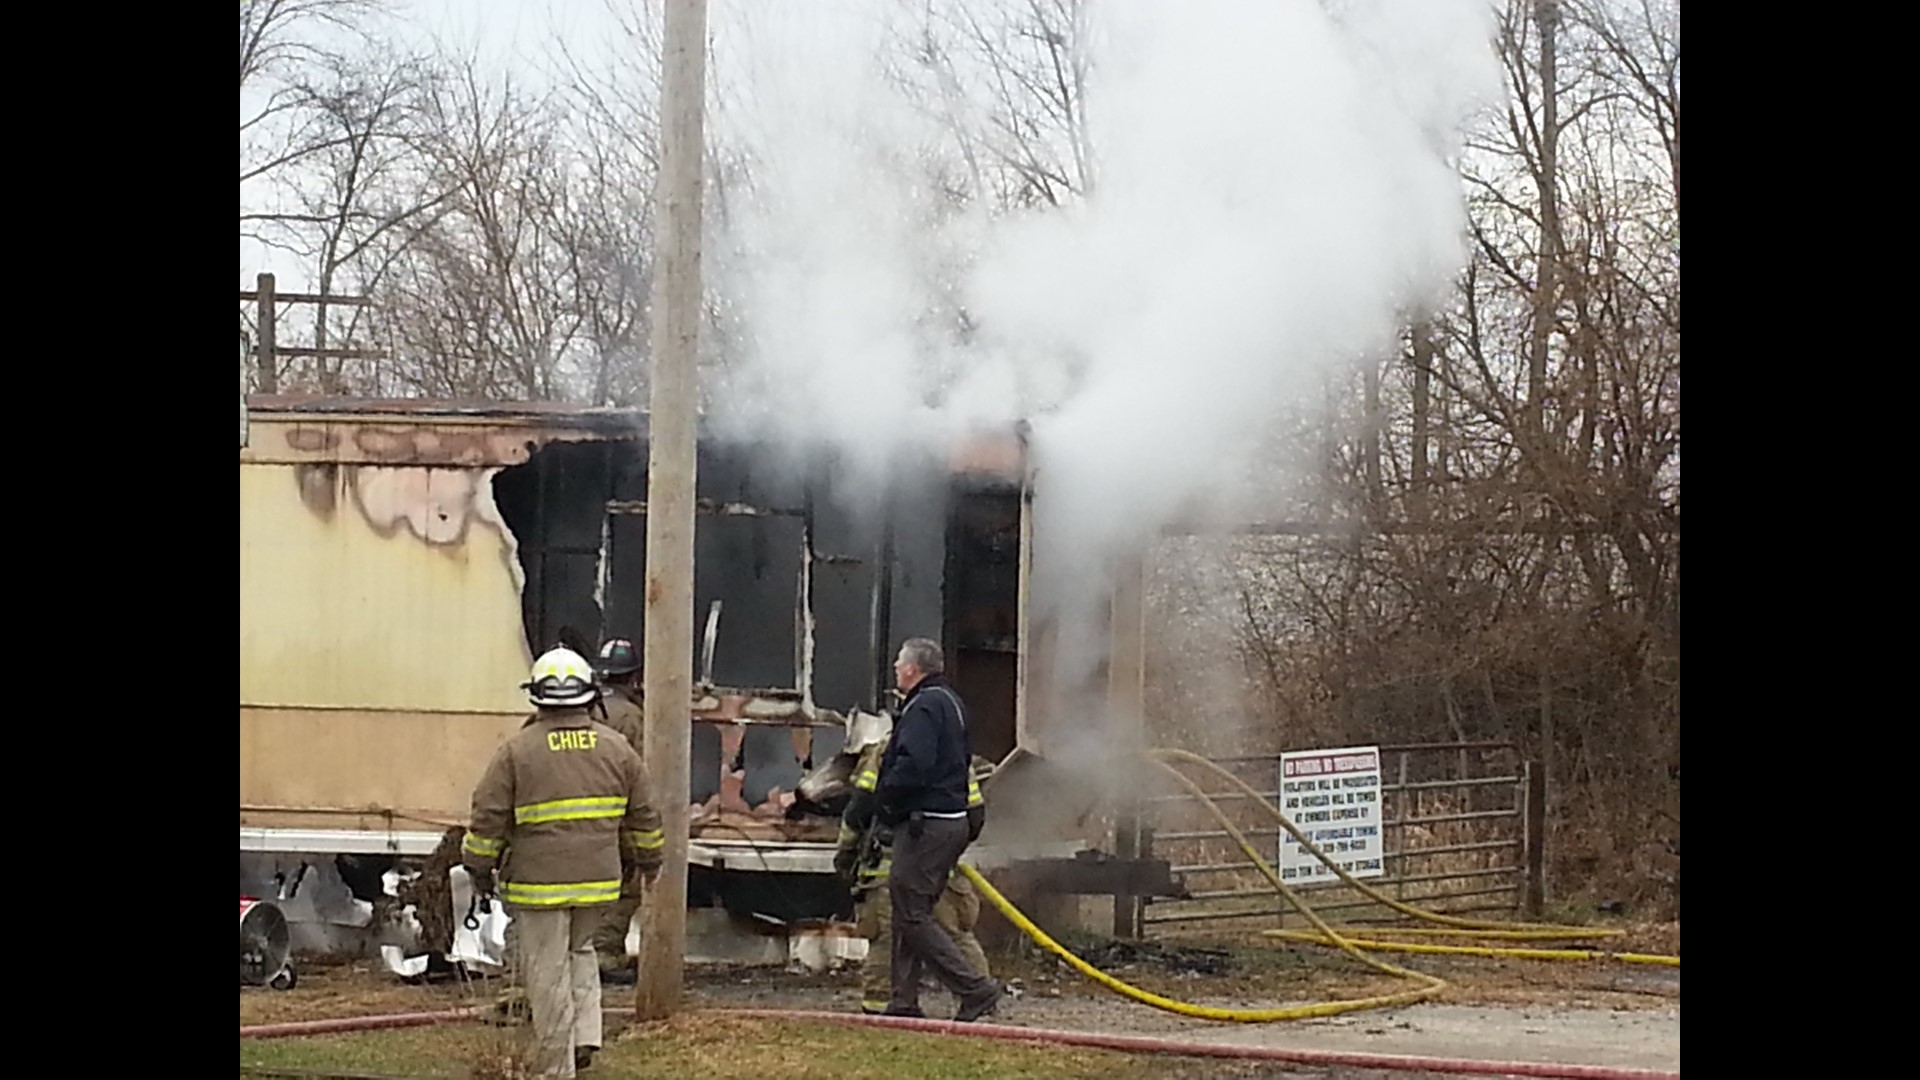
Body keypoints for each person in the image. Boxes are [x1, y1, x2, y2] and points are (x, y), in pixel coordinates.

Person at [462, 646, 665, 1078]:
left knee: (547, 970)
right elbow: (646, 814)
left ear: (537, 698)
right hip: (600, 884)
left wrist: (477, 868)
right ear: (589, 696)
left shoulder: (517, 751)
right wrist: (651, 863)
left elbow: (487, 819)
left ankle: (556, 1067)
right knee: (581, 950)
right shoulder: (617, 749)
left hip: (539, 886)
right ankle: (585, 1038)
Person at [873, 637, 1003, 1022]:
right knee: (907, 908)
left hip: (927, 825)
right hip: (947, 823)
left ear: (914, 668)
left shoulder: (925, 706)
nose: (896, 667)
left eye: (899, 661)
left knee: (912, 911)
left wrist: (885, 802)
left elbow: (915, 765)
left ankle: (975, 989)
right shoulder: (948, 702)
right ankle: (903, 1002)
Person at [834, 711, 991, 1014]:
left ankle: (883, 1008)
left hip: (889, 867)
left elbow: (859, 811)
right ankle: (981, 995)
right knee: (951, 934)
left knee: (889, 935)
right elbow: (975, 815)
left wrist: (846, 854)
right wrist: (948, 850)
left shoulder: (886, 752)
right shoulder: (957, 756)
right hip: (941, 867)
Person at [588, 638, 647, 984]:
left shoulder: (580, 709)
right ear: (634, 677)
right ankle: (604, 954)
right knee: (626, 885)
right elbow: (641, 775)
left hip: (570, 820)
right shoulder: (633, 718)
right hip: (616, 819)